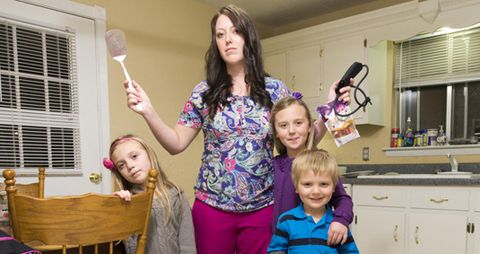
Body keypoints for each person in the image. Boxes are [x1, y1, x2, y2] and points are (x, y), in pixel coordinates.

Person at [123, 4, 351, 254]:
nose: (228, 40)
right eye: (220, 35)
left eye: (235, 32)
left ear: (248, 37)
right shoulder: (204, 92)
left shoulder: (275, 90)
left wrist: (333, 107)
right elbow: (176, 143)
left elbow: (302, 138)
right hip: (211, 209)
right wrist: (148, 111)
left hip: (263, 209)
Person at [270, 94, 354, 246]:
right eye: (283, 125)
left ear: (310, 126)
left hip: (316, 242)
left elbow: (342, 199)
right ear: (276, 132)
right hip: (282, 244)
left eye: (298, 123)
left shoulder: (319, 164)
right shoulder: (272, 166)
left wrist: (341, 220)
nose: (291, 131)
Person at [103, 134, 196, 254]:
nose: (130, 166)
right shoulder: (129, 201)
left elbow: (187, 245)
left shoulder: (176, 196)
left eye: (134, 156)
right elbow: (127, 245)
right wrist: (120, 209)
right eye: (121, 165)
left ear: (149, 155)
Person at [268, 150, 359, 254]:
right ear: (296, 187)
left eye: (324, 184)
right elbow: (275, 250)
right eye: (307, 184)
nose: (316, 191)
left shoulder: (338, 225)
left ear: (334, 187)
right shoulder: (286, 221)